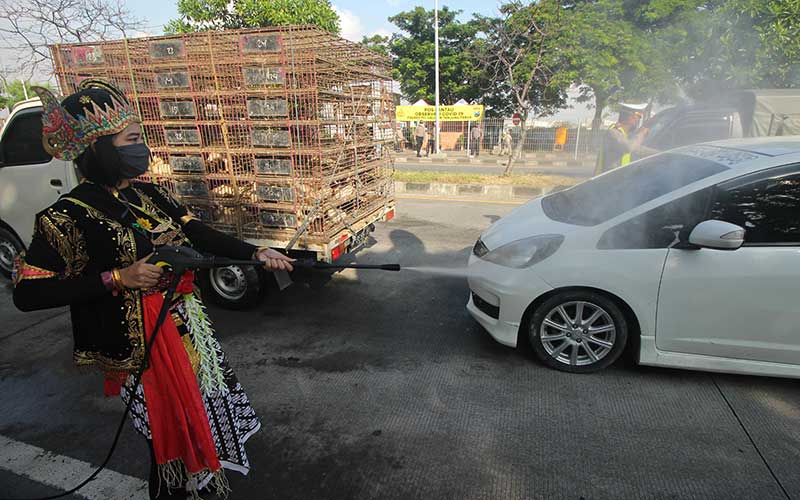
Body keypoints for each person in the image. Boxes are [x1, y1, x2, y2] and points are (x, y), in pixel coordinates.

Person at [13, 79, 295, 500]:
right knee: (167, 447)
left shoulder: (149, 195)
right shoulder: (65, 218)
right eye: (131, 140)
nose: (141, 148)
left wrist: (254, 254)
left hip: (188, 333)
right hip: (137, 349)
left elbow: (197, 233)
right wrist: (117, 279)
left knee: (204, 425)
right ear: (98, 148)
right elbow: (28, 294)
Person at [594, 103, 654, 175]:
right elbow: (628, 147)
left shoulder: (623, 135)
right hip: (609, 179)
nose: (639, 119)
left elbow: (638, 149)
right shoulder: (613, 133)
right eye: (639, 116)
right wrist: (641, 134)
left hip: (619, 177)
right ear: (631, 117)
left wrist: (664, 153)